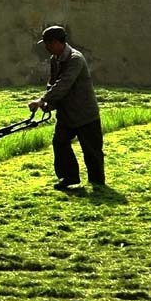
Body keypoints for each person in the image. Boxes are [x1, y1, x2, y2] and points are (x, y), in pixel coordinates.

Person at [28, 25, 105, 190]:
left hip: (85, 113)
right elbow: (53, 84)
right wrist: (50, 104)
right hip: (66, 114)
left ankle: (97, 183)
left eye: (48, 44)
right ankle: (69, 177)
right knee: (59, 143)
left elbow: (64, 84)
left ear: (56, 42)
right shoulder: (54, 59)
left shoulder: (75, 59)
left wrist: (41, 100)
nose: (47, 48)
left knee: (92, 151)